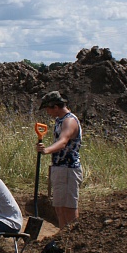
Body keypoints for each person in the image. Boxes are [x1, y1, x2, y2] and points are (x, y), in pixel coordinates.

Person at [37, 91, 83, 228]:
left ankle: (72, 243)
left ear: (55, 107)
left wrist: (46, 150)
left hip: (69, 170)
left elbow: (63, 141)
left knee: (69, 209)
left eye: (48, 108)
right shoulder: (59, 120)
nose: (47, 112)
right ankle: (63, 241)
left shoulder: (69, 121)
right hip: (59, 168)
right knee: (59, 208)